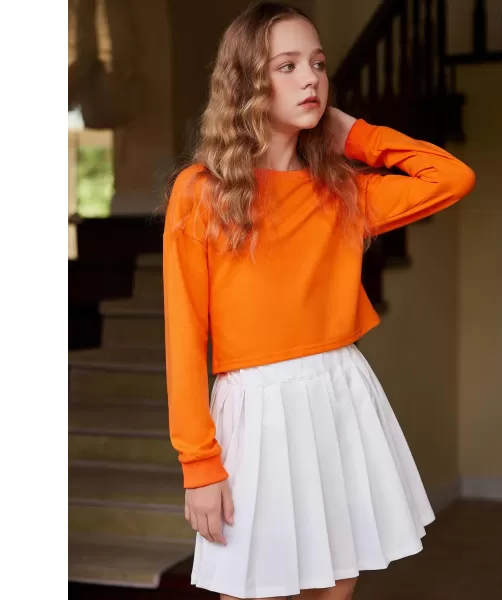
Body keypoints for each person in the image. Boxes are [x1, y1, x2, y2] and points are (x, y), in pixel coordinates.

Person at [162, 2, 475, 599]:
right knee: (248, 589)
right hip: (254, 409)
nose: (310, 78)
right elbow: (183, 336)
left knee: (334, 587)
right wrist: (198, 463)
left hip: (338, 394)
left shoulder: (342, 191)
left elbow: (452, 177)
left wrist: (355, 133)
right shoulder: (201, 193)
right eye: (287, 65)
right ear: (247, 83)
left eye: (318, 64)